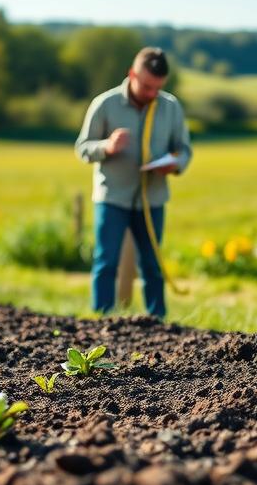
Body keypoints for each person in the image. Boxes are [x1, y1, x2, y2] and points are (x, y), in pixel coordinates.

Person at [75, 46, 192, 318]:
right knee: (106, 262)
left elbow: (184, 150)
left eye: (157, 88)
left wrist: (175, 165)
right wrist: (107, 146)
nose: (152, 94)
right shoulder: (105, 104)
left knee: (152, 265)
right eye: (147, 86)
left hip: (152, 199)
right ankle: (101, 321)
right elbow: (82, 148)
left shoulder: (171, 107)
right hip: (112, 197)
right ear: (132, 74)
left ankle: (157, 323)